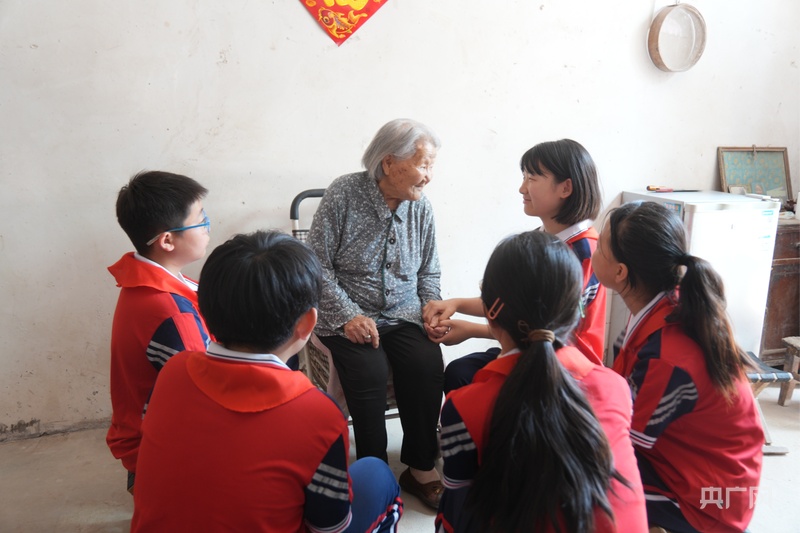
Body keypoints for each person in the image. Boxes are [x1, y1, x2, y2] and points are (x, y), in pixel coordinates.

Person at [131, 231, 403, 532]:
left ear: (205, 309)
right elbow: (330, 527)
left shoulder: (173, 371)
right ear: (307, 324)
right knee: (377, 474)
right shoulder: (318, 415)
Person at [436, 230, 647, 532]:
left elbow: (456, 511)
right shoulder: (615, 388)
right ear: (574, 314)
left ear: (491, 312)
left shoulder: (464, 408)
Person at [592, 201, 763, 533]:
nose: (593, 249)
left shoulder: (666, 356)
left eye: (601, 247)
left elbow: (621, 439)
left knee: (575, 474)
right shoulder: (663, 306)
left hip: (712, 502)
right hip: (698, 469)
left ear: (621, 272)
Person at [307, 118, 446, 509]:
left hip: (404, 313)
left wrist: (431, 309)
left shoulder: (421, 208)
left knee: (426, 363)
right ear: (389, 162)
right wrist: (348, 315)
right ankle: (374, 473)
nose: (429, 176)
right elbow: (317, 265)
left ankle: (420, 468)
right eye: (423, 165)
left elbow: (429, 271)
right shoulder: (344, 194)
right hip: (345, 316)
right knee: (368, 371)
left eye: (432, 166)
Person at [424, 139, 606, 395]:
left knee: (468, 380)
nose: (522, 188)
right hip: (531, 351)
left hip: (565, 366)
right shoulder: (543, 237)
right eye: (524, 177)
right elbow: (516, 304)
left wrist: (471, 330)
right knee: (459, 372)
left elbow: (545, 328)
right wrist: (456, 304)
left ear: (565, 188)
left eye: (532, 178)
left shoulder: (585, 252)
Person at [106, 170, 212, 494]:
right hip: (163, 451)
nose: (208, 226)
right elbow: (210, 395)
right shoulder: (171, 312)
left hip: (147, 430)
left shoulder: (151, 279)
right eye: (201, 220)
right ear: (167, 241)